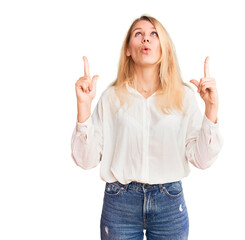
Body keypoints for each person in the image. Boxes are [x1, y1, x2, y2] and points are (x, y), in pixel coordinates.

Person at [71, 15, 223, 240]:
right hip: (119, 203)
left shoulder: (184, 97)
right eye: (138, 34)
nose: (146, 40)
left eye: (154, 34)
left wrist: (211, 108)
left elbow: (202, 160)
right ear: (128, 50)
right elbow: (86, 160)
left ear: (164, 46)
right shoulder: (111, 98)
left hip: (169, 203)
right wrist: (83, 106)